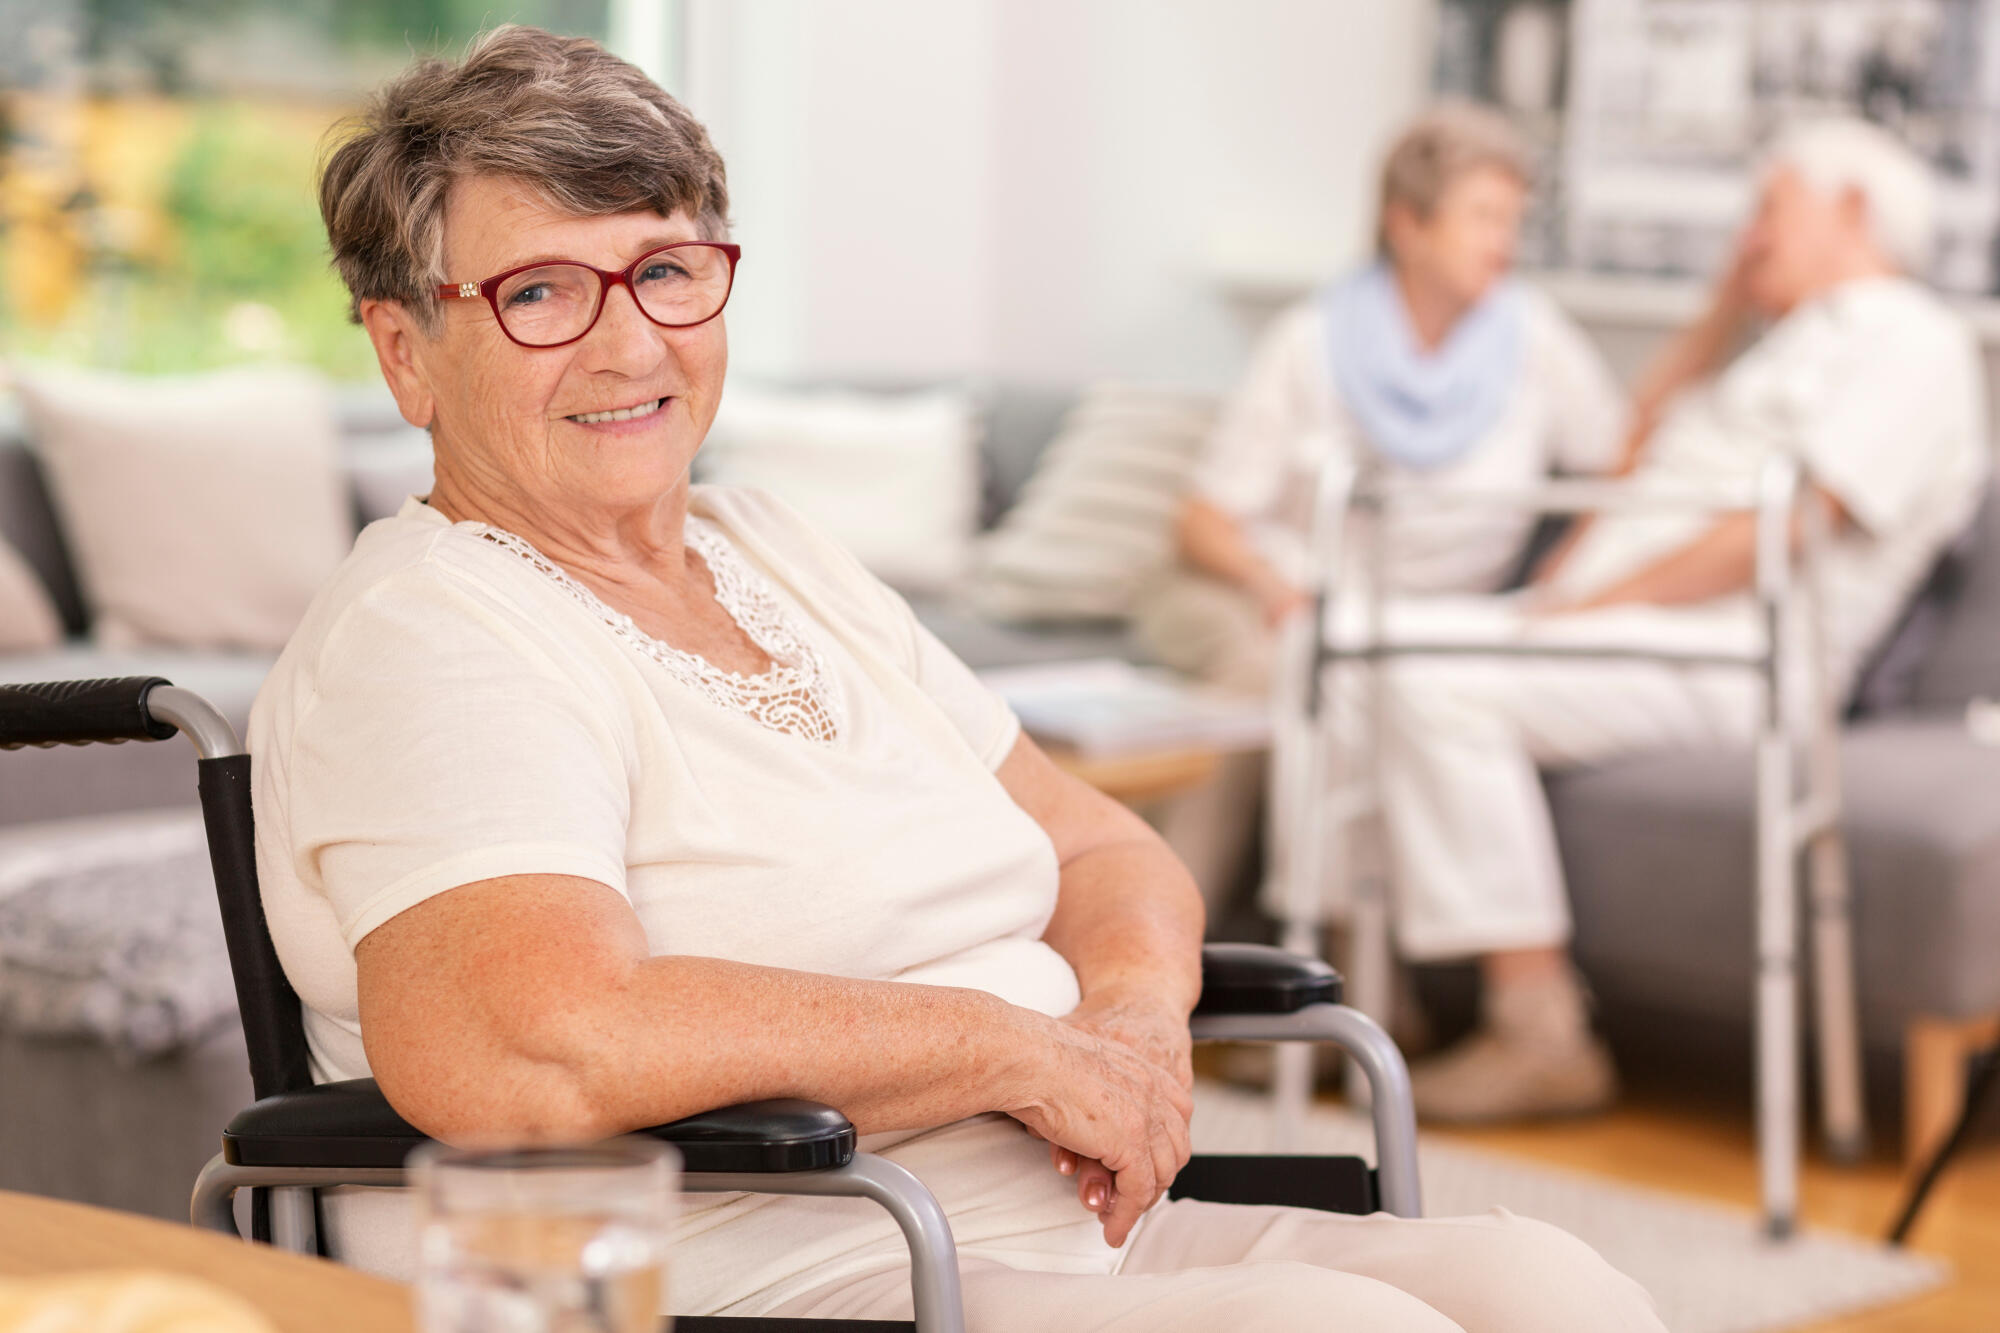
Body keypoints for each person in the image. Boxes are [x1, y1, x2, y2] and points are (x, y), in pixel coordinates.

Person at [250, 27, 1665, 1331]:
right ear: (406, 353)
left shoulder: (770, 547)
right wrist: (1013, 1053)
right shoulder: (437, 630)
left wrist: (1125, 1025)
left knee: (1558, 1289)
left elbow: (1105, 845)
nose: (629, 342)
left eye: (667, 272)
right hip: (787, 1268)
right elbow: (529, 1047)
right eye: (541, 292)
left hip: (1066, 1231)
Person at [1363, 117, 1989, 1123]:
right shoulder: (1778, 348)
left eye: (1768, 204)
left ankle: (1538, 1029)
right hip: (1631, 630)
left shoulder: (1912, 341)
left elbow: (1780, 532)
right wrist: (1713, 318)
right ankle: (1359, 1006)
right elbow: (1626, 459)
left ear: (1852, 211)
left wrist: (1581, 611)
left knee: (1428, 684)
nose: (1748, 233)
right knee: (1357, 650)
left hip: (1735, 654)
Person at [1134, 104, 1624, 923]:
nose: (1503, 241)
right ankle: (1162, 946)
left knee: (1374, 686)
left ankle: (1348, 992)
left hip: (1430, 620)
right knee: (1279, 673)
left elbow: (1619, 469)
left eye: (1512, 220)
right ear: (1407, 224)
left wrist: (1561, 569)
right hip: (1283, 595)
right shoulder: (1312, 341)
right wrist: (1271, 585)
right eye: (1482, 217)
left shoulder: (1534, 339)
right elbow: (1203, 520)